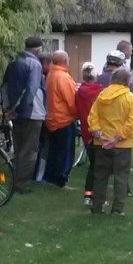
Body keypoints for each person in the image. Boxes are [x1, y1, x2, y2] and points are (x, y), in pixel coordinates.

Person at [86, 68, 133, 214]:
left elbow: (92, 116)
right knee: (121, 176)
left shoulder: (102, 95)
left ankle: (97, 206)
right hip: (122, 144)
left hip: (101, 142)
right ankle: (117, 209)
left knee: (100, 176)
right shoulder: (130, 97)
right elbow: (131, 121)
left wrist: (98, 134)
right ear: (127, 81)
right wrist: (119, 137)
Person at [1, 36, 47, 193]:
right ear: (38, 49)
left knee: (18, 148)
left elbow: (4, 87)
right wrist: (20, 108)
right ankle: (20, 184)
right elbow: (32, 89)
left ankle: (14, 179)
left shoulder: (13, 63)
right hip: (31, 112)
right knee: (29, 151)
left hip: (14, 112)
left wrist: (8, 109)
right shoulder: (34, 64)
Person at [41, 50, 79, 187]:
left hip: (51, 119)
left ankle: (50, 177)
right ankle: (61, 179)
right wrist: (77, 114)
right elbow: (71, 100)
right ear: (65, 61)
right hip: (63, 120)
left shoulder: (51, 75)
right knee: (65, 153)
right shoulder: (63, 77)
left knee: (53, 151)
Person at [74, 63, 106, 206]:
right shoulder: (100, 91)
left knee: (93, 164)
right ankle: (97, 196)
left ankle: (88, 194)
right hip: (98, 130)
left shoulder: (79, 92)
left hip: (86, 131)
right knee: (100, 166)